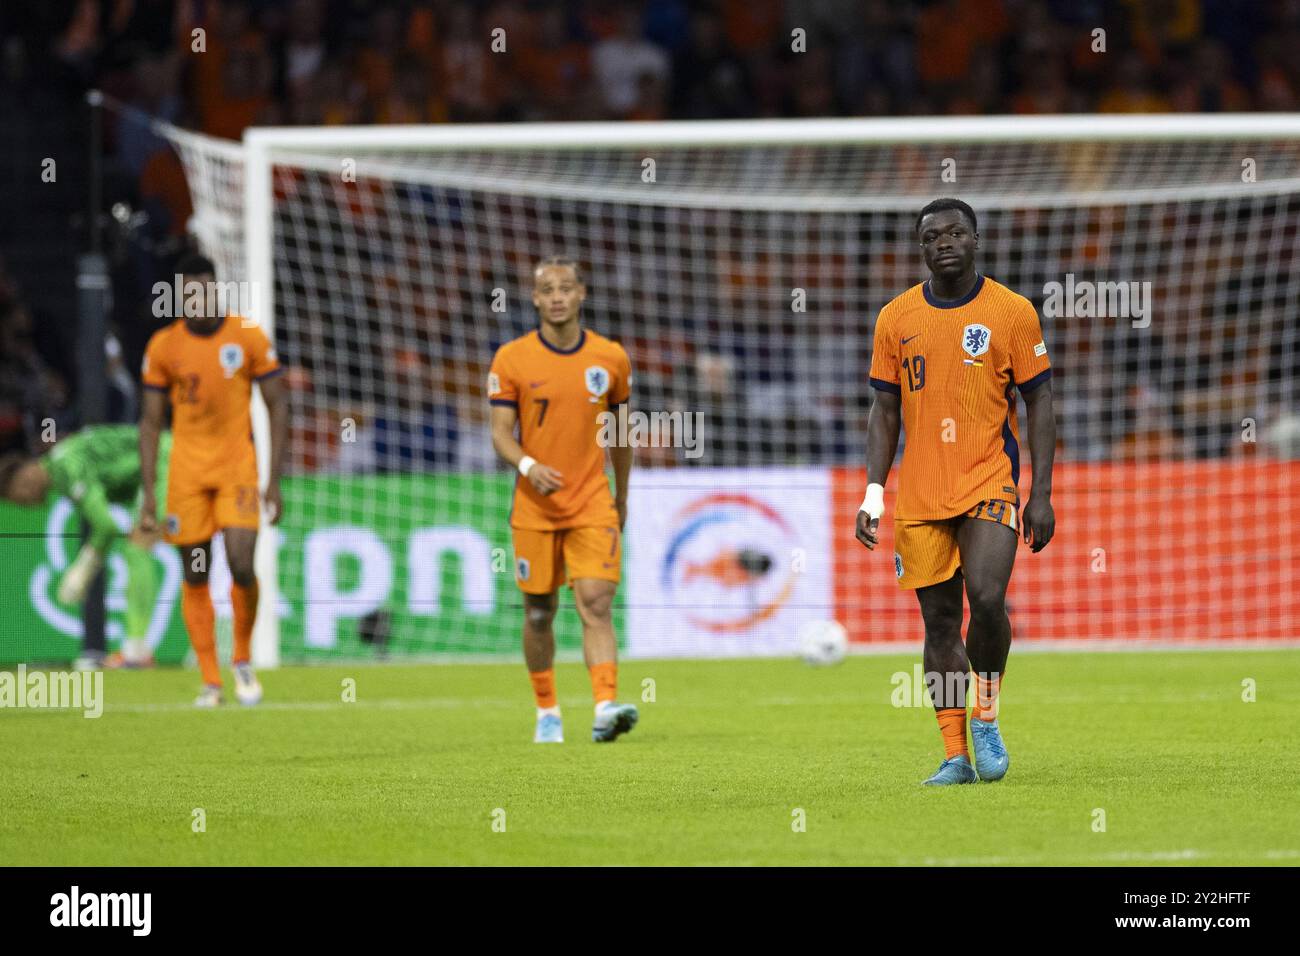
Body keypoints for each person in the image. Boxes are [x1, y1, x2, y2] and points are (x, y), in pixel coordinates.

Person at [857, 198, 1057, 785]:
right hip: (920, 494)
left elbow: (1040, 398)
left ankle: (986, 714)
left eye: (955, 233)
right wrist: (873, 491)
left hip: (988, 479)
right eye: (931, 237)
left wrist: (1039, 492)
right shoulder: (895, 318)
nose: (943, 243)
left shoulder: (1012, 312)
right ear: (920, 248)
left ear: (976, 239)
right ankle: (954, 754)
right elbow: (884, 409)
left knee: (988, 599)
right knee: (940, 626)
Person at [487, 256, 639, 744]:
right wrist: (530, 467)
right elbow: (499, 434)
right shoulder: (511, 359)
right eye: (547, 289)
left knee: (596, 602)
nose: (556, 296)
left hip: (593, 501)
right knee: (538, 612)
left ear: (581, 294)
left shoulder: (610, 357)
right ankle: (547, 709)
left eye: (565, 287)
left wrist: (623, 496)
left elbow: (619, 433)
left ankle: (604, 707)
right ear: (534, 298)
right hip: (534, 507)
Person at [138, 252, 289, 707]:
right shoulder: (164, 347)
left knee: (242, 563)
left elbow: (278, 403)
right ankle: (210, 678)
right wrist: (150, 493)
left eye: (205, 291)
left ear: (217, 290)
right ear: (178, 297)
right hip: (186, 474)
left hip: (237, 469)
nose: (198, 301)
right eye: (189, 294)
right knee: (195, 570)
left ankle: (241, 658)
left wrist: (274, 479)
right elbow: (149, 423)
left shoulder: (247, 337)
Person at [0, 424, 171, 669]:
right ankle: (137, 649)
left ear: (23, 477)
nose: (25, 504)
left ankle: (137, 651)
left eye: (19, 497)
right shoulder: (63, 466)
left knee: (137, 547)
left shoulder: (65, 467)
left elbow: (106, 525)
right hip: (158, 464)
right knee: (144, 545)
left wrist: (83, 568)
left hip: (163, 461)